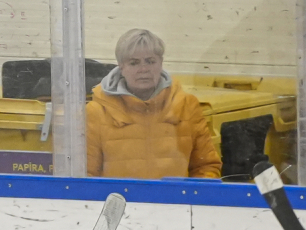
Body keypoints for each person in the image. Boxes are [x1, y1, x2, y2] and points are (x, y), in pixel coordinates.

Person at [86, 28, 221, 180]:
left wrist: (190, 193)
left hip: (175, 196)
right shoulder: (96, 112)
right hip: (118, 196)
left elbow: (206, 166)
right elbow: (87, 175)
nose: (143, 69)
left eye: (150, 61)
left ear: (161, 63)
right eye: (134, 63)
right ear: (121, 67)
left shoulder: (187, 106)